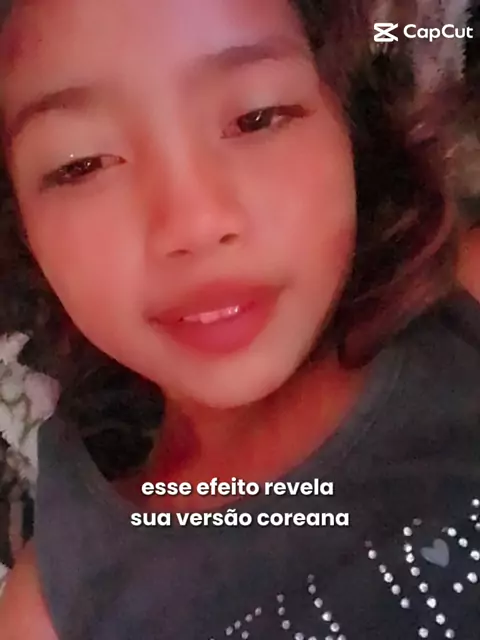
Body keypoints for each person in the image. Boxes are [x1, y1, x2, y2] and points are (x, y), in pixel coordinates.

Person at [0, 0, 479, 638]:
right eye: (80, 164)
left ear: (350, 123)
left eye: (257, 117)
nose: (193, 224)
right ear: (22, 228)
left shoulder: (463, 302)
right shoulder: (52, 603)